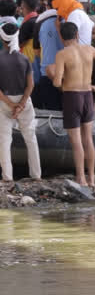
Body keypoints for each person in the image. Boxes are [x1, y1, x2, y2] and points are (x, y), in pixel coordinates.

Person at [48, 22, 95, 187]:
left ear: (62, 37)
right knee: (88, 138)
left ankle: (81, 178)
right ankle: (91, 178)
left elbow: (57, 83)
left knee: (76, 140)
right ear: (77, 35)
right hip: (88, 95)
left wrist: (52, 74)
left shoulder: (62, 54)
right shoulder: (89, 50)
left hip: (72, 96)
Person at [0, 22, 40, 182]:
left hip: (4, 102)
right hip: (24, 101)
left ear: (2, 39)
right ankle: (36, 175)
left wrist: (11, 105)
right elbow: (31, 85)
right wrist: (21, 104)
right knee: (31, 138)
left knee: (4, 140)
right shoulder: (24, 59)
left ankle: (7, 176)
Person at [31, 4, 63, 109]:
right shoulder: (69, 21)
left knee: (51, 110)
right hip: (66, 74)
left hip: (46, 73)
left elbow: (36, 51)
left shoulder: (40, 24)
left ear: (48, 7)